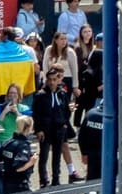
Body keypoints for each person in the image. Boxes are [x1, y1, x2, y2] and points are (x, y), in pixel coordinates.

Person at [41, 33, 82, 181]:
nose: (64, 41)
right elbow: (45, 65)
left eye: (66, 39)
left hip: (60, 124)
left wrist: (76, 86)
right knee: (47, 150)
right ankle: (46, 177)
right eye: (62, 39)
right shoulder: (44, 94)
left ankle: (67, 173)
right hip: (49, 126)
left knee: (63, 144)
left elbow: (75, 69)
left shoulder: (69, 52)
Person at [32, 66, 76, 186]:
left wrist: (65, 124)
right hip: (45, 130)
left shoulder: (62, 94)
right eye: (49, 79)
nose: (52, 82)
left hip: (59, 129)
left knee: (57, 156)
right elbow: (36, 113)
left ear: (58, 80)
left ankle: (56, 180)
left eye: (54, 79)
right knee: (44, 156)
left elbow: (66, 110)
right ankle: (43, 180)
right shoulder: (40, 95)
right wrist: (38, 129)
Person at [0, 27, 37, 105]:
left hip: (2, 87)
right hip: (21, 88)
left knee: (3, 106)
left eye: (2, 34)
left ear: (6, 37)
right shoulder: (23, 50)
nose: (0, 35)